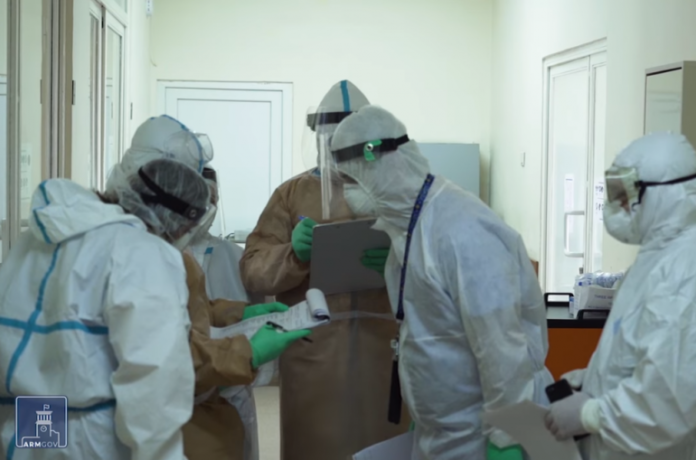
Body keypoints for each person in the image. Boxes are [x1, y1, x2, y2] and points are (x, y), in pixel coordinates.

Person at [327, 105, 553, 460]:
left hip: (485, 433)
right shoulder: (406, 229)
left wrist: (507, 439)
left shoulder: (463, 230)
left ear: (380, 164)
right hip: (443, 430)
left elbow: (502, 350)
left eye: (350, 181)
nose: (347, 194)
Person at [110, 115, 309, 460]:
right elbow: (167, 357)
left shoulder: (151, 246)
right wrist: (248, 353)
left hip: (184, 406)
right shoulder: (129, 255)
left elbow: (186, 308)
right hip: (131, 416)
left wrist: (240, 312)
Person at [240, 81, 410, 460]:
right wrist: (293, 254)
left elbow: (437, 267)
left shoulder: (399, 194)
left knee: (385, 445)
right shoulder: (291, 195)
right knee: (314, 444)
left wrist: (401, 259)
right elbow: (253, 269)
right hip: (312, 354)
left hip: (385, 350)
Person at [0, 158, 208, 460]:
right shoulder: (141, 253)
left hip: (26, 420)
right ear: (174, 220)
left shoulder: (35, 239)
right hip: (90, 436)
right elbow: (153, 376)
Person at [545, 133, 696, 460]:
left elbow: (669, 402)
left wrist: (591, 414)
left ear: (664, 194)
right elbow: (640, 355)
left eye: (625, 195)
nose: (618, 207)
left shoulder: (685, 272)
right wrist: (592, 381)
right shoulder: (655, 261)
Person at [189, 166, 262, 460]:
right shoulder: (162, 257)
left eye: (214, 198)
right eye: (200, 197)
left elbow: (211, 310)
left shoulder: (233, 255)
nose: (208, 207)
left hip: (234, 382)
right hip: (192, 387)